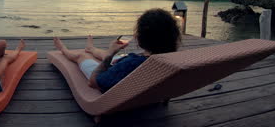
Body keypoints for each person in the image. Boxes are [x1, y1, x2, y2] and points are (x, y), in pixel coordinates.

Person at [53, 8, 181, 92]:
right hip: (132, 74)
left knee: (82, 56)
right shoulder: (170, 60)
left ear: (142, 37)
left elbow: (93, 82)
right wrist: (109, 55)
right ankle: (91, 49)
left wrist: (110, 54)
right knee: (107, 55)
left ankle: (64, 50)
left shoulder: (131, 64)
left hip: (115, 77)